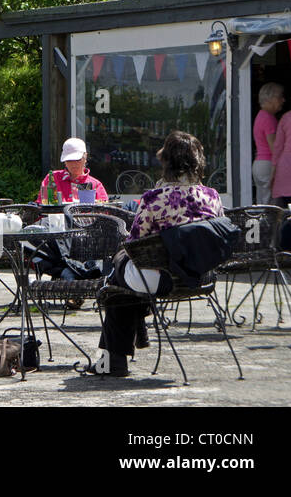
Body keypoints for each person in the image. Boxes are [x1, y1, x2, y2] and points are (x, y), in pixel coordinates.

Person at [88, 131, 225, 376]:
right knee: (126, 281)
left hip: (161, 280)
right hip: (200, 275)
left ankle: (114, 359)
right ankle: (123, 347)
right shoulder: (212, 196)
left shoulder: (155, 197)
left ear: (166, 162)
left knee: (120, 264)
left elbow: (135, 243)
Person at [36, 138, 108, 205]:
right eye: (69, 160)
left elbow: (105, 212)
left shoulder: (95, 184)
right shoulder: (52, 178)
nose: (73, 164)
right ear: (64, 162)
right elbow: (41, 206)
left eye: (77, 159)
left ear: (85, 157)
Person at [271, 84, 291, 210]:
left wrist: (273, 171)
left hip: (288, 166)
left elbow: (278, 147)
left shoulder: (287, 117)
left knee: (287, 210)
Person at [253, 82, 284, 205]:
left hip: (260, 163)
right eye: (280, 97)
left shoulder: (261, 116)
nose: (283, 100)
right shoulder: (269, 118)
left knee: (263, 202)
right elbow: (274, 147)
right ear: (270, 99)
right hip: (268, 164)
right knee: (272, 206)